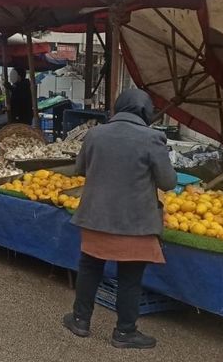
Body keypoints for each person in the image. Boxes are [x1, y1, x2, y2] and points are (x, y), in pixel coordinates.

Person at [62, 88, 176, 350]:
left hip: (95, 215)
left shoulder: (95, 134)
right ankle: (124, 333)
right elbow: (168, 182)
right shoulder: (152, 138)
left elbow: (80, 169)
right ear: (146, 112)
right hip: (134, 221)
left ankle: (80, 320)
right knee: (130, 277)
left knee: (90, 268)